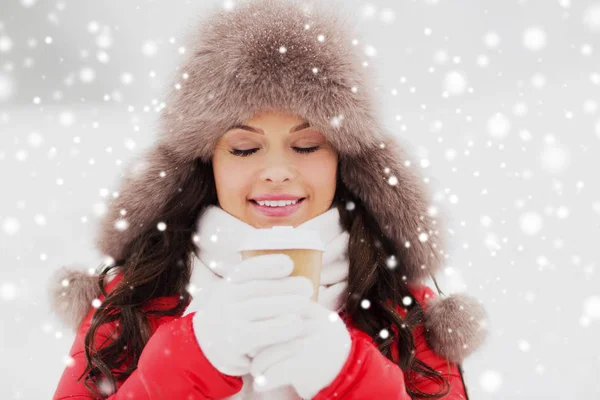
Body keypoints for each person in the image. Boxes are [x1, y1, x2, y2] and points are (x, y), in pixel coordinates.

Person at [49, 0, 488, 398]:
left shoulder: (403, 308)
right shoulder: (132, 298)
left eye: (307, 146)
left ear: (345, 162)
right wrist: (186, 360)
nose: (277, 171)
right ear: (208, 162)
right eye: (244, 148)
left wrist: (352, 376)